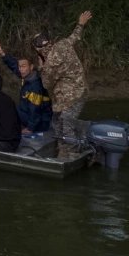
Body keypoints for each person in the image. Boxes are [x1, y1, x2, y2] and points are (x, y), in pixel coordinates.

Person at [36, 11, 93, 157]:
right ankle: (63, 150)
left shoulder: (49, 65)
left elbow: (45, 84)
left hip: (69, 99)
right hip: (79, 92)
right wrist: (81, 23)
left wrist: (41, 66)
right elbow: (74, 37)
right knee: (57, 120)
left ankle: (72, 153)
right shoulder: (63, 44)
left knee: (65, 125)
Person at [0, 39, 53, 134]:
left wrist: (30, 128)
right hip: (29, 114)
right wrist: (3, 54)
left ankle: (5, 132)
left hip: (40, 123)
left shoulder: (35, 86)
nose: (21, 69)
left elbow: (35, 109)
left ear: (31, 67)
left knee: (7, 107)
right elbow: (14, 66)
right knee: (8, 105)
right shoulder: (27, 75)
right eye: (20, 66)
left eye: (24, 66)